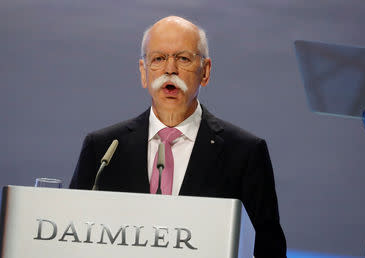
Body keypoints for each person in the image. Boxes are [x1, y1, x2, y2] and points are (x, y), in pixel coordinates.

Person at [69, 16, 286, 257]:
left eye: (183, 58)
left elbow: (270, 250)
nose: (170, 69)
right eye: (158, 59)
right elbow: (71, 237)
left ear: (205, 71)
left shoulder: (244, 153)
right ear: (144, 72)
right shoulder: (103, 149)